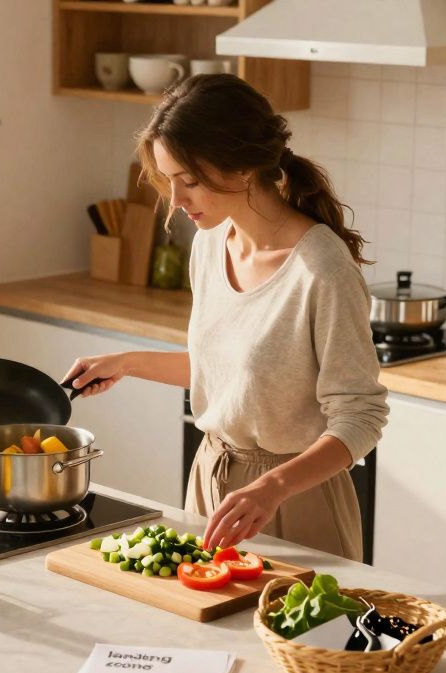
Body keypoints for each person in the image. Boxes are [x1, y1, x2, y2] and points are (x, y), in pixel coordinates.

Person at [62, 74, 389, 561]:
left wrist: (273, 487)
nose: (175, 201)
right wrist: (127, 362)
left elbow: (361, 418)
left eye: (189, 182)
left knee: (295, 639)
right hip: (211, 482)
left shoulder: (321, 269)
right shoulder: (211, 243)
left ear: (242, 168)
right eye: (170, 182)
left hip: (295, 499)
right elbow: (233, 375)